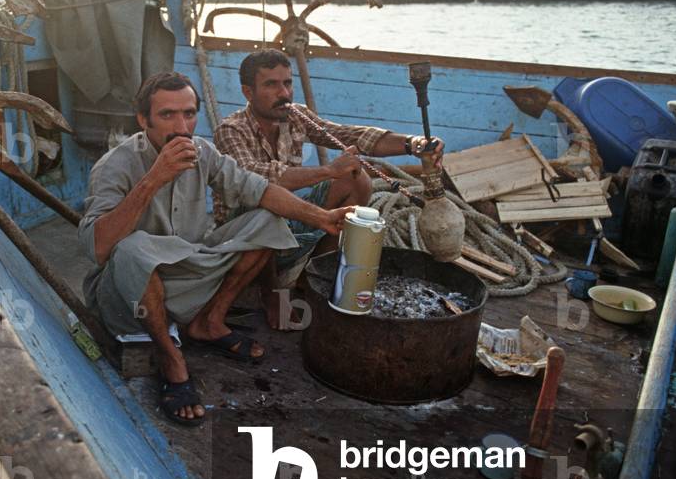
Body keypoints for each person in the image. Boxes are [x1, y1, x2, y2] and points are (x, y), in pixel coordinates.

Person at [78, 72, 352, 426]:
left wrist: (322, 218)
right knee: (132, 248)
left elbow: (258, 188)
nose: (181, 126)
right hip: (129, 294)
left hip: (188, 275)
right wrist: (153, 179)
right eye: (167, 115)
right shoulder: (115, 165)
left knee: (266, 220)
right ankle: (170, 357)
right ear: (143, 120)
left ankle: (210, 321)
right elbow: (99, 249)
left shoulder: (202, 152)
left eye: (189, 114)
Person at [214, 48, 445, 329]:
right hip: (241, 235)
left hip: (282, 221)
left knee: (357, 179)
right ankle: (271, 294)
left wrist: (412, 144)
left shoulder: (296, 115)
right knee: (268, 207)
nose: (284, 93)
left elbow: (348, 135)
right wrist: (327, 171)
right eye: (271, 85)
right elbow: (257, 179)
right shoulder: (230, 129)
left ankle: (310, 277)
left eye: (287, 83)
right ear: (248, 92)